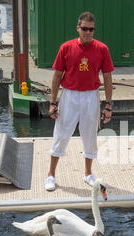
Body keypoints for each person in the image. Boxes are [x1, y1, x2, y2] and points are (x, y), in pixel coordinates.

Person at [45, 12, 114, 191]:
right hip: (69, 95)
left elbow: (107, 77)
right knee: (61, 134)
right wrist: (53, 102)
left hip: (91, 96)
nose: (88, 32)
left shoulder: (102, 49)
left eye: (91, 29)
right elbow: (57, 76)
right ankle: (51, 175)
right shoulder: (66, 48)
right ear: (78, 28)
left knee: (90, 135)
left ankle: (88, 174)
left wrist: (108, 105)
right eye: (84, 28)